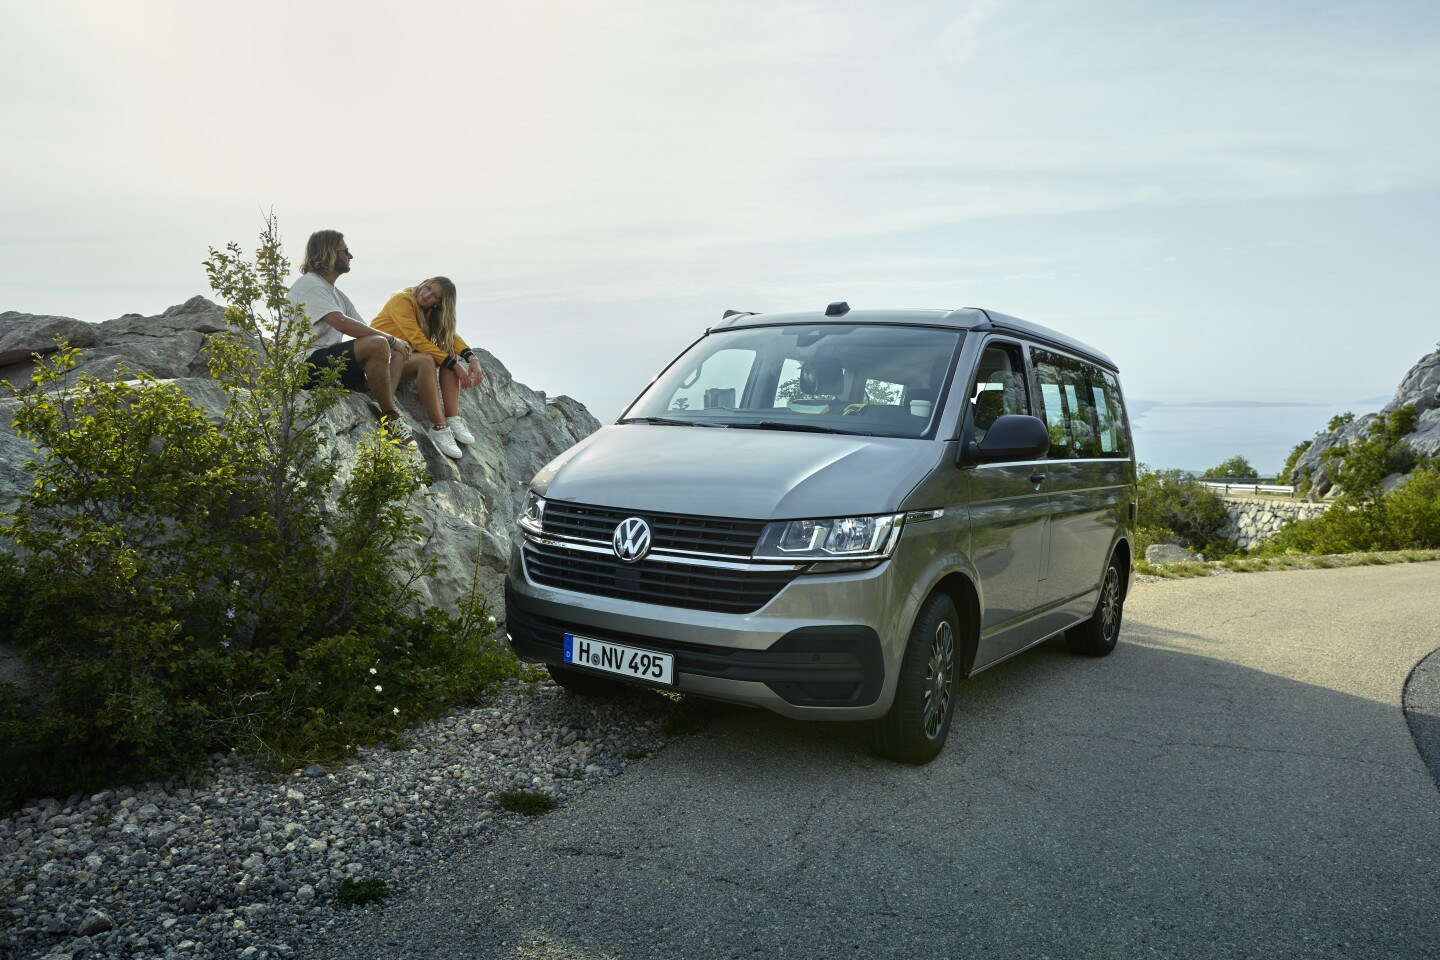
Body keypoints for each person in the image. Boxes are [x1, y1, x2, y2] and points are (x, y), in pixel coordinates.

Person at [286, 229, 416, 445]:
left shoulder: (337, 295)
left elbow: (364, 329)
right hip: (303, 366)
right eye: (345, 251)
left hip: (327, 365)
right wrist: (392, 340)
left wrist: (397, 346)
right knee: (379, 344)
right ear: (329, 252)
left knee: (382, 345)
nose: (350, 256)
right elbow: (342, 323)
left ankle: (384, 402)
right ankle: (390, 418)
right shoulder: (310, 285)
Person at [372, 277, 484, 459]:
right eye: (428, 288)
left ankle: (452, 418)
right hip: (381, 361)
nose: (427, 294)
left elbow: (449, 335)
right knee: (427, 360)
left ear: (439, 304)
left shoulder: (429, 312)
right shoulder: (402, 300)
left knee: (448, 352)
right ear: (423, 283)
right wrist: (455, 366)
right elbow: (417, 340)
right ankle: (438, 427)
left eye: (434, 296)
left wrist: (471, 358)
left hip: (403, 359)